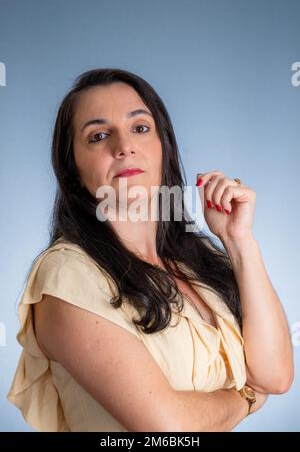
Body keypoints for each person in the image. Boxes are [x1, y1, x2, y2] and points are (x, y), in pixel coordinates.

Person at [7, 68, 294, 432]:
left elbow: (276, 376)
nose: (123, 146)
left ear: (164, 147)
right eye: (98, 135)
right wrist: (246, 398)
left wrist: (239, 243)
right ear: (73, 168)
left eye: (140, 128)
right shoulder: (66, 277)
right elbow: (166, 430)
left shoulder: (199, 263)